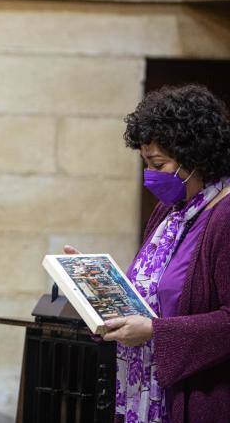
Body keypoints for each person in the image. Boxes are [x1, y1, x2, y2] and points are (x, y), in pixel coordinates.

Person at [66, 84, 230, 423]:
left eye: (159, 163)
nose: (151, 175)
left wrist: (157, 332)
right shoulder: (170, 211)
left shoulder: (225, 215)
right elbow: (148, 292)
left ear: (197, 157)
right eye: (146, 162)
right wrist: (96, 285)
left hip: (198, 396)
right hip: (142, 383)